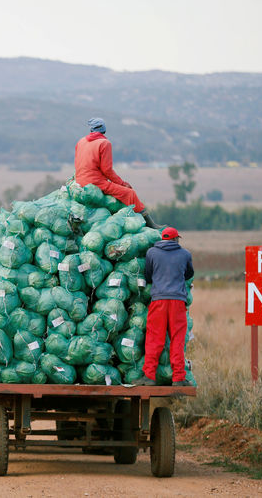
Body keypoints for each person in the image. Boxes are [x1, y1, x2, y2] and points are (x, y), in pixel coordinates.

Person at [132, 226, 194, 387]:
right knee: (177, 339)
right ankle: (179, 378)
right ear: (175, 239)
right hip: (177, 302)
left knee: (154, 339)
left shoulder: (152, 253)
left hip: (158, 300)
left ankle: (149, 377)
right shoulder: (185, 254)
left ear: (162, 239)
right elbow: (189, 274)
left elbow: (148, 275)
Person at [73, 117, 160, 229]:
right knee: (130, 193)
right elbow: (107, 170)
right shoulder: (105, 143)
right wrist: (122, 183)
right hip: (95, 182)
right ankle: (151, 225)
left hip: (79, 180)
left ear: (91, 130)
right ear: (104, 130)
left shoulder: (81, 141)